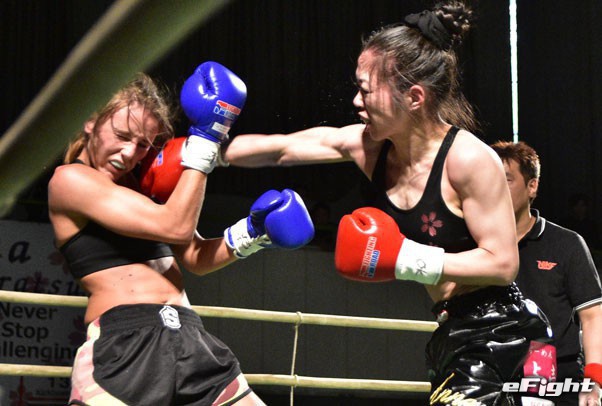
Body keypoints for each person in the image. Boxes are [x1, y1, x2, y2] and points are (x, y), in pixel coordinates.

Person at [221, 1, 551, 404]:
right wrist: (206, 148)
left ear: (413, 97)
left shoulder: (468, 159)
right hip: (453, 333)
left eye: (366, 90)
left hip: (504, 335)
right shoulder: (369, 148)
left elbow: (502, 264)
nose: (356, 101)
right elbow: (282, 150)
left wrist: (405, 257)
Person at [48, 62, 314, 405]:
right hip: (126, 346)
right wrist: (208, 137)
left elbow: (196, 257)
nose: (130, 153)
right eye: (123, 136)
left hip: (190, 338)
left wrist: (252, 233)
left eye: (143, 145)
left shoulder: (143, 189)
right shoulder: (70, 180)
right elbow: (174, 226)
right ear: (90, 121)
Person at [492, 140, 602, 406]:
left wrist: (594, 380)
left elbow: (592, 316)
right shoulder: (473, 242)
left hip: (558, 378)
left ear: (532, 186)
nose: (495, 187)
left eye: (506, 179)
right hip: (493, 374)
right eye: (490, 179)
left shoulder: (566, 244)